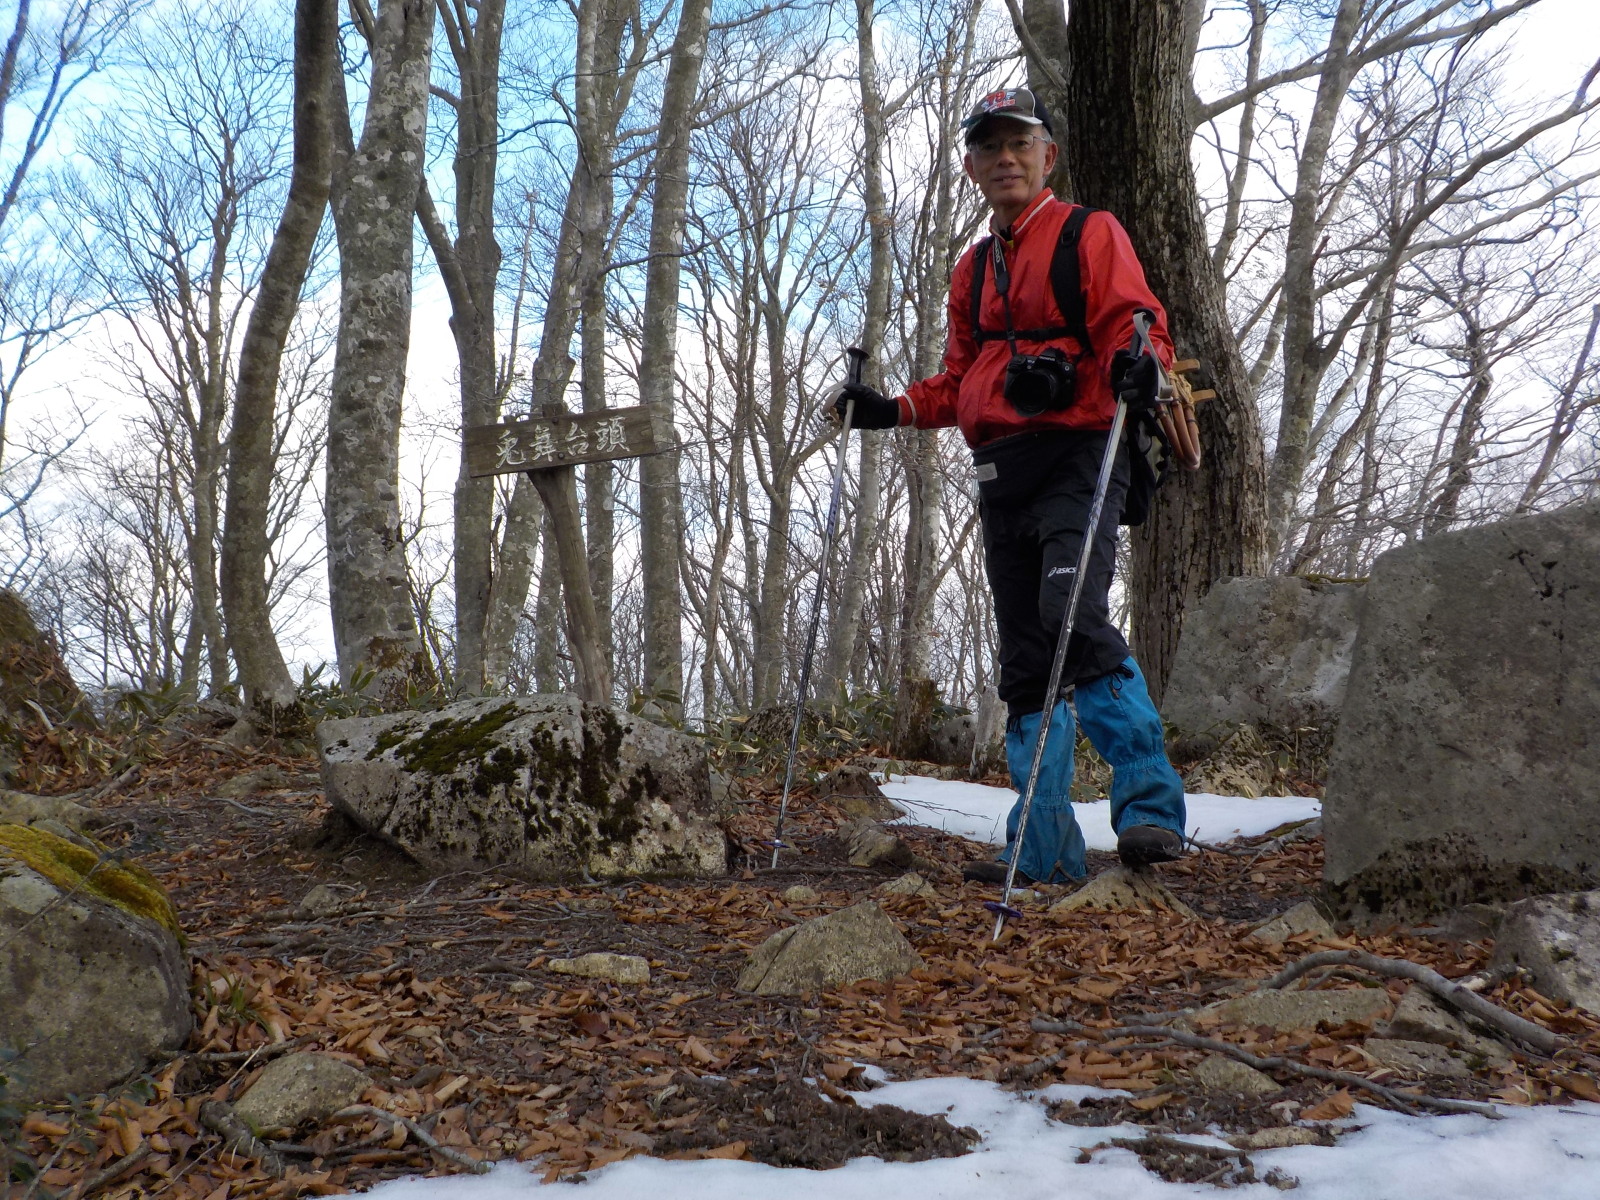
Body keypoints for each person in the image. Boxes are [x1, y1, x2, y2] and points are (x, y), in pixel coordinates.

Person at [833, 87, 1187, 884]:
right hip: (1001, 472)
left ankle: (1151, 808)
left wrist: (1143, 365)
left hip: (1081, 453)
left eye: (1019, 143)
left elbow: (1136, 324)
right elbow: (962, 378)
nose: (1005, 158)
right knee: (1026, 657)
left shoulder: (1089, 232)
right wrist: (889, 409)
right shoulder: (972, 270)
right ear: (970, 166)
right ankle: (1042, 845)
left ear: (1047, 155)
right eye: (989, 146)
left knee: (1072, 613)